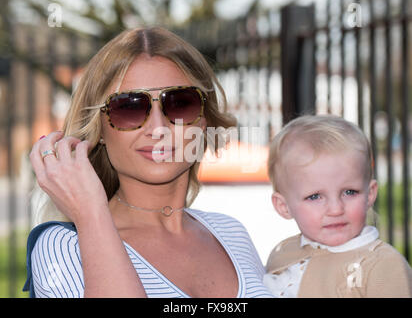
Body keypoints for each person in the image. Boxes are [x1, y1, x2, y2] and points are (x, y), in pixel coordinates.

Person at [23, 27, 274, 298]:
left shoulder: (232, 234)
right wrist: (91, 213)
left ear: (203, 119)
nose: (158, 128)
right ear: (100, 129)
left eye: (180, 103)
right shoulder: (65, 246)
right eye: (128, 107)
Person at [263, 114, 412, 298]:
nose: (336, 209)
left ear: (370, 194)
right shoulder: (282, 255)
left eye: (350, 192)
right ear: (283, 206)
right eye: (315, 196)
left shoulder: (382, 265)